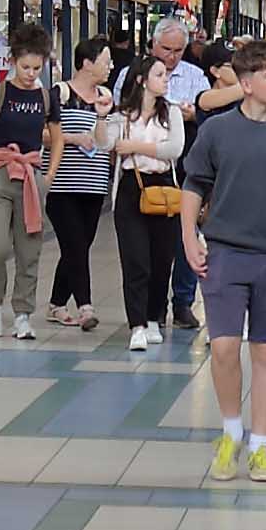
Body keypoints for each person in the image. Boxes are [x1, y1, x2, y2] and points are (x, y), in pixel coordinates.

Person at [180, 36, 266, 482]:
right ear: (246, 84)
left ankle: (260, 444)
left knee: (265, 349)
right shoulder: (217, 131)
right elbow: (194, 184)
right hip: (225, 252)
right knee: (223, 347)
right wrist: (189, 237)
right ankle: (231, 433)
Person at [0, 25, 56, 339]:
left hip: (31, 179)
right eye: (25, 67)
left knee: (29, 250)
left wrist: (47, 177)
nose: (31, 74)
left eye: (37, 68)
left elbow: (58, 139)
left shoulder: (46, 97)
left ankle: (23, 314)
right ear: (12, 61)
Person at [109, 62, 185, 346]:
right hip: (132, 187)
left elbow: (174, 149)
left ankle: (154, 316)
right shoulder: (122, 116)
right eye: (159, 75)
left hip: (163, 187)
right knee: (135, 259)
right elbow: (105, 143)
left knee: (162, 259)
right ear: (142, 80)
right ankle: (137, 324)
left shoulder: (171, 112)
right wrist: (103, 117)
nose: (165, 80)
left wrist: (136, 147)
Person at [43, 41, 118, 326]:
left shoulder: (106, 96)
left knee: (80, 245)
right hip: (62, 185)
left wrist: (101, 118)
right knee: (74, 244)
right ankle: (86, 307)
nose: (110, 67)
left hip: (94, 185)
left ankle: (56, 304)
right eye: (105, 61)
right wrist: (73, 138)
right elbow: (42, 134)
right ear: (87, 63)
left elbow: (105, 141)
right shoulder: (60, 93)